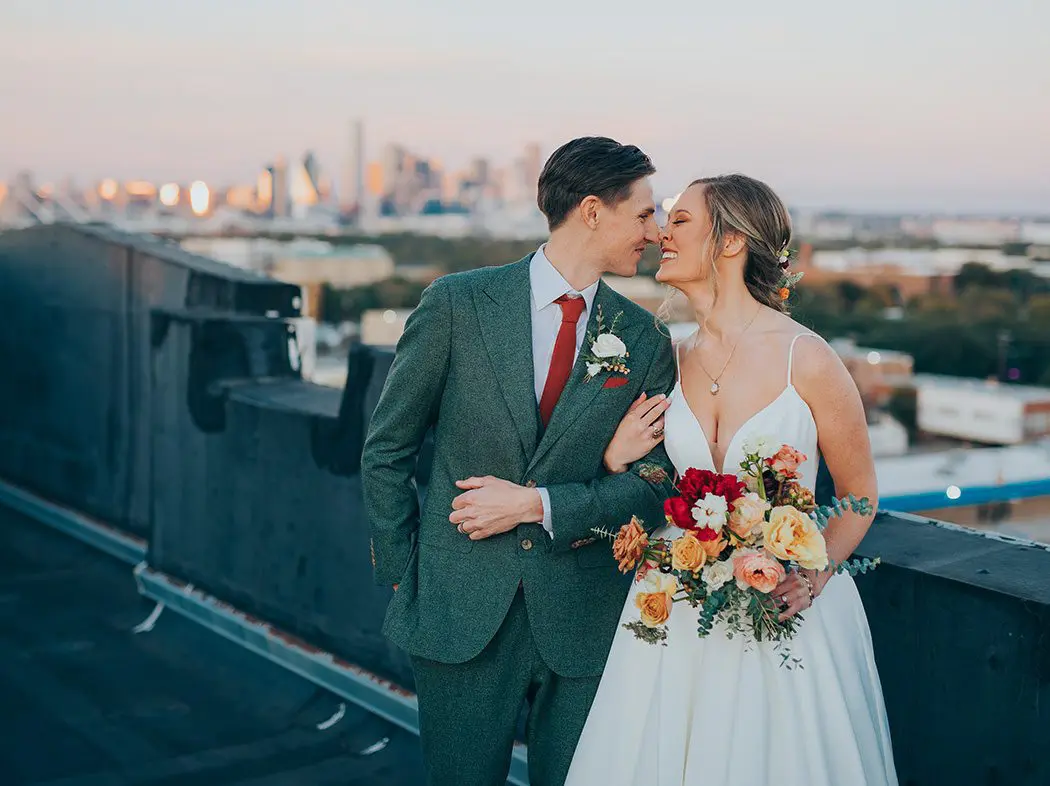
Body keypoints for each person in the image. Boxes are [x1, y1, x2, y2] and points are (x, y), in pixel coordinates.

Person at [361, 136, 677, 786]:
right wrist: (403, 572)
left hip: (585, 620)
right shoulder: (457, 303)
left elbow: (656, 487)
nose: (656, 230)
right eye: (644, 213)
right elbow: (387, 449)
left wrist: (546, 503)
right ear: (592, 211)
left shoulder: (645, 340)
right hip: (460, 610)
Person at [565, 174, 898, 785]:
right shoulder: (667, 359)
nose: (662, 233)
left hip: (784, 614)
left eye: (682, 220)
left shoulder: (810, 359)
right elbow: (655, 480)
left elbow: (859, 495)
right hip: (675, 611)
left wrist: (811, 575)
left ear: (730, 242)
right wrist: (615, 458)